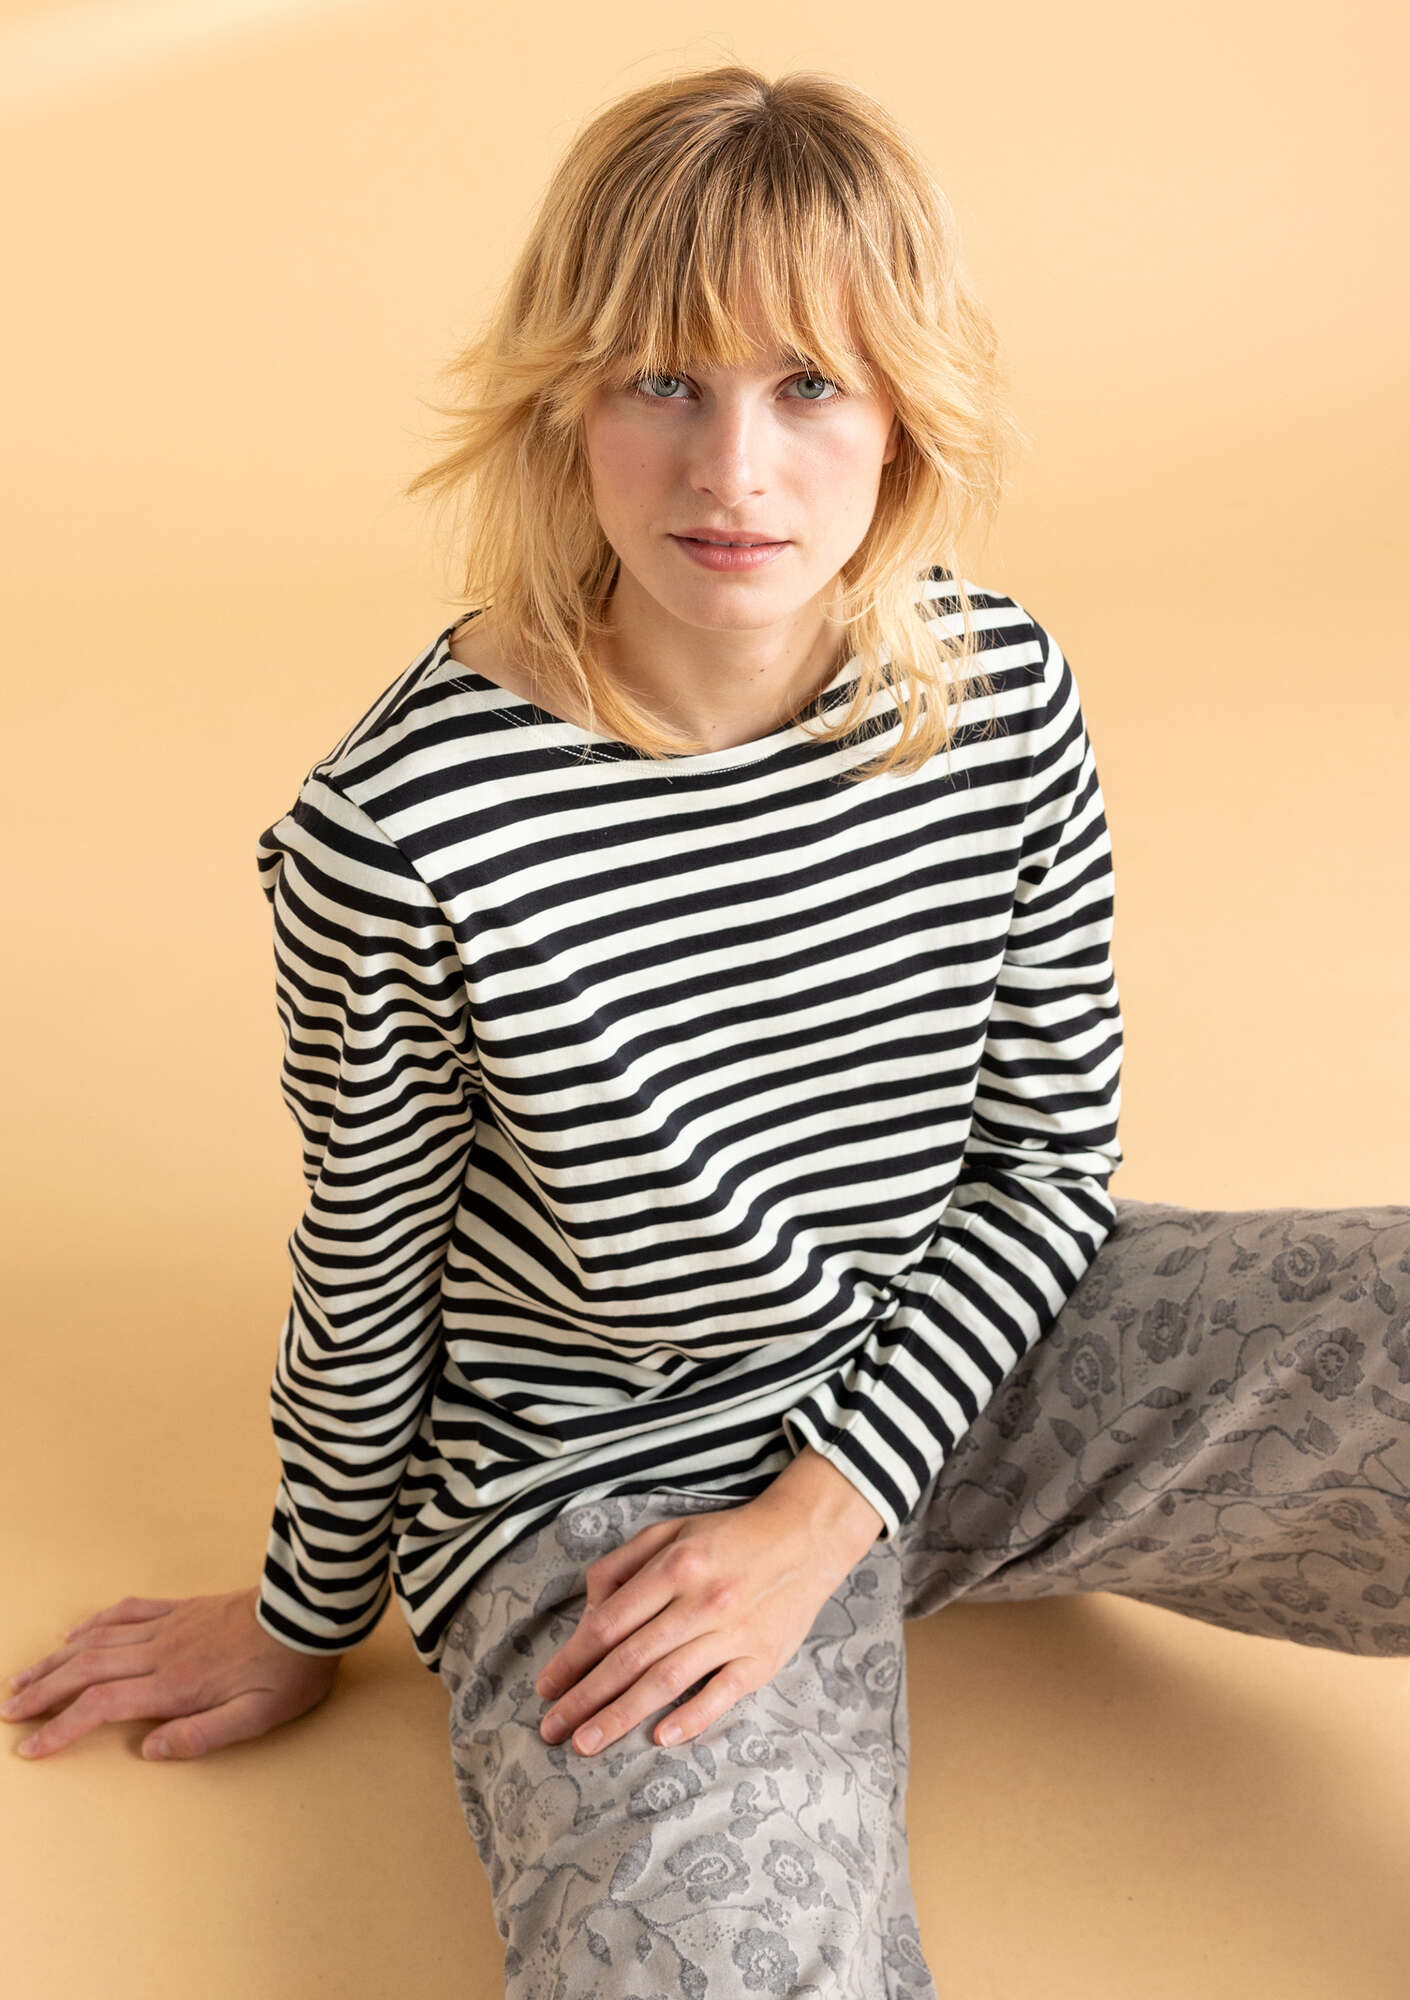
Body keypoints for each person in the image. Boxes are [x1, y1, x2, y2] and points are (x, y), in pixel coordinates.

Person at [8, 61, 1409, 2000]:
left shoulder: (1000, 694)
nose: (732, 471)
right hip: (612, 1486)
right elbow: (373, 1270)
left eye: (809, 383)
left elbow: (1042, 1173)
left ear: (904, 408)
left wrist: (829, 1514)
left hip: (963, 1369)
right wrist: (298, 1616)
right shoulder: (400, 833)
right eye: (660, 380)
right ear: (562, 403)